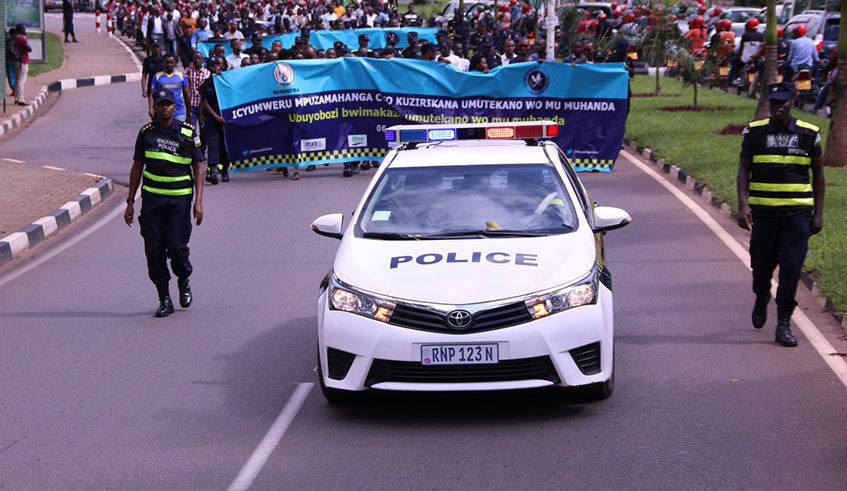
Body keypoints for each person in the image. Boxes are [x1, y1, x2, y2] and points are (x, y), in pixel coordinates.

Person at [736, 82, 825, 347]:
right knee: (761, 267)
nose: (779, 107)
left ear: (792, 103)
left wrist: (818, 214)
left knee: (791, 267)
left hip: (797, 215)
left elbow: (819, 174)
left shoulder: (809, 133)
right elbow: (743, 170)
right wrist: (743, 206)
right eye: (774, 103)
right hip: (764, 214)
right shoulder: (755, 132)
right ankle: (762, 294)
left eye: (783, 102)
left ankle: (784, 322)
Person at [125, 89, 204, 318]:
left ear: (174, 106)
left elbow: (198, 167)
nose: (165, 108)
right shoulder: (146, 133)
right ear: (155, 108)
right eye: (161, 104)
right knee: (154, 249)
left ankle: (183, 278)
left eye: (168, 104)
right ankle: (164, 299)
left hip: (179, 201)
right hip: (152, 202)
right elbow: (137, 166)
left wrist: (198, 201)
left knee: (177, 248)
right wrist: (130, 201)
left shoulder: (188, 132)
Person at [199, 57, 229, 184]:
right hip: (212, 119)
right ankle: (212, 170)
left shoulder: (227, 81)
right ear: (208, 68)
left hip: (226, 119)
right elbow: (205, 103)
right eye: (212, 65)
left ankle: (224, 170)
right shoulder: (205, 84)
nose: (216, 67)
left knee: (224, 145)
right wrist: (215, 117)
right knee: (213, 144)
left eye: (218, 65)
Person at [149, 53, 189, 121]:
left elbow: (186, 95)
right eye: (167, 62)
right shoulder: (157, 76)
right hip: (163, 111)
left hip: (179, 111)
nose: (169, 64)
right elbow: (152, 94)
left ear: (175, 63)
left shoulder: (182, 76)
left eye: (171, 62)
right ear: (163, 63)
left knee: (178, 128)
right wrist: (151, 107)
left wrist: (188, 112)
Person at [185, 51, 209, 127]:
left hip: (203, 105)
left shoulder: (206, 73)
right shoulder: (189, 71)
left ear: (202, 60)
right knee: (191, 128)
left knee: (203, 127)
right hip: (192, 104)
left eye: (199, 58)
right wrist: (188, 71)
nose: (197, 60)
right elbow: (183, 81)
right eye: (195, 58)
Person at [12, 24, 31, 107]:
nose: (25, 30)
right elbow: (29, 48)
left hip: (16, 60)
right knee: (21, 80)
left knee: (17, 79)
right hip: (22, 60)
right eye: (23, 29)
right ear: (20, 29)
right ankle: (20, 99)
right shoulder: (21, 38)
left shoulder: (14, 37)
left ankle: (16, 98)